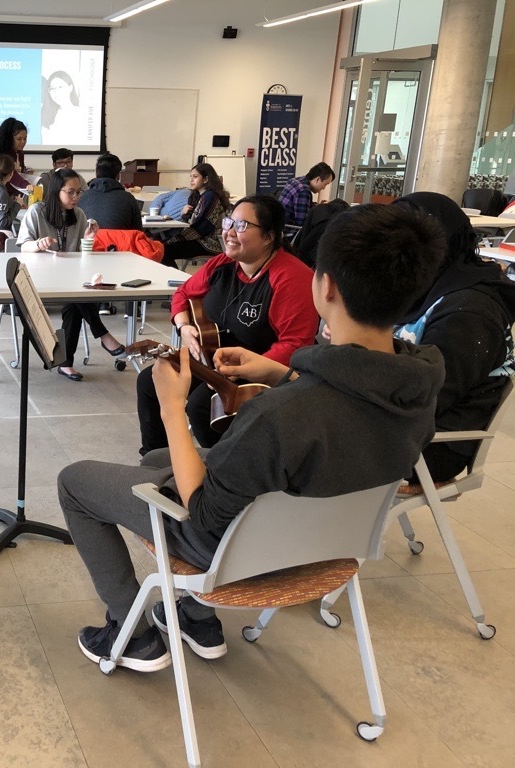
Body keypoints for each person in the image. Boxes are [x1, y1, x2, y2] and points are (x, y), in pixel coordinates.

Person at [58, 203, 446, 670]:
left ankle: (131, 633)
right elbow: (336, 409)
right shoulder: (418, 385)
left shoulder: (277, 418)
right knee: (157, 457)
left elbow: (202, 515)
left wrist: (171, 407)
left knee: (75, 481)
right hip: (329, 545)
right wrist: (282, 372)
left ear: (325, 287)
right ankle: (195, 618)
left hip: (242, 551)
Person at [137, 195, 318, 453]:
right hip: (218, 362)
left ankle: (226, 474)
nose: (229, 232)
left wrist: (241, 368)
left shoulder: (292, 277)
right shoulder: (223, 263)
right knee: (150, 380)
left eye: (241, 226)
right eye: (228, 222)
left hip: (263, 369)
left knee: (203, 406)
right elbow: (182, 294)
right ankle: (156, 460)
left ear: (269, 237)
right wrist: (184, 327)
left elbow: (295, 345)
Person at [391, 192, 515, 481]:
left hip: (436, 444)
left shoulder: (470, 311)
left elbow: (430, 397)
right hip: (404, 418)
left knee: (301, 445)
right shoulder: (424, 286)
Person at [17, 169, 125, 381]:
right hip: (39, 278)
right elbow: (23, 247)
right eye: (71, 192)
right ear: (57, 192)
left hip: (69, 279)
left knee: (75, 299)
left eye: (79, 192)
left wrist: (88, 238)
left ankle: (66, 363)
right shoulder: (37, 211)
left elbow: (80, 257)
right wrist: (39, 244)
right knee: (77, 296)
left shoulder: (79, 216)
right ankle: (103, 335)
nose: (76, 197)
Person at [160, 162, 231, 268]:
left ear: (206, 179)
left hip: (211, 242)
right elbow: (193, 221)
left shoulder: (210, 197)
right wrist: (184, 214)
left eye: (195, 177)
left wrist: (177, 238)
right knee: (160, 246)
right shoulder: (198, 196)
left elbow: (203, 227)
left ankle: (177, 281)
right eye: (190, 177)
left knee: (162, 250)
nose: (191, 180)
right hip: (200, 238)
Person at [78, 153, 143, 231]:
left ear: (96, 173)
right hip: (119, 242)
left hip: (90, 242)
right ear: (118, 176)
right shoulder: (128, 198)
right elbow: (138, 232)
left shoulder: (82, 197)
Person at [278, 161, 335, 227]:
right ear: (317, 179)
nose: (324, 188)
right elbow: (302, 222)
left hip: (281, 225)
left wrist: (319, 206)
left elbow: (303, 206)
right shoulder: (303, 191)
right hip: (291, 230)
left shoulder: (296, 180)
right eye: (325, 184)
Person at [42, 71, 88, 145]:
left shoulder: (81, 113)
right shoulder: (47, 114)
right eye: (52, 88)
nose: (56, 92)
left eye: (60, 87)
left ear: (70, 87)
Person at [0, 117, 32, 196]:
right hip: (2, 194)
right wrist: (26, 185)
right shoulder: (5, 156)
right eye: (19, 139)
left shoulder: (20, 153)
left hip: (15, 193)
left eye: (25, 138)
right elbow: (11, 176)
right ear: (10, 139)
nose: (23, 142)